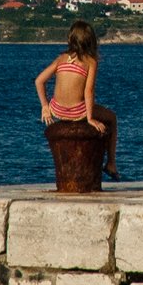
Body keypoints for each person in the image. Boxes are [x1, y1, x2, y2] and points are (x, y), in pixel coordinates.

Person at [34, 19, 121, 180]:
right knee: (112, 118)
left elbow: (39, 81)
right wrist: (90, 118)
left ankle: (110, 163)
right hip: (78, 112)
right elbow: (89, 91)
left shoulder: (61, 58)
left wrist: (45, 106)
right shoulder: (90, 62)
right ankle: (111, 163)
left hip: (57, 111)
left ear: (70, 39)